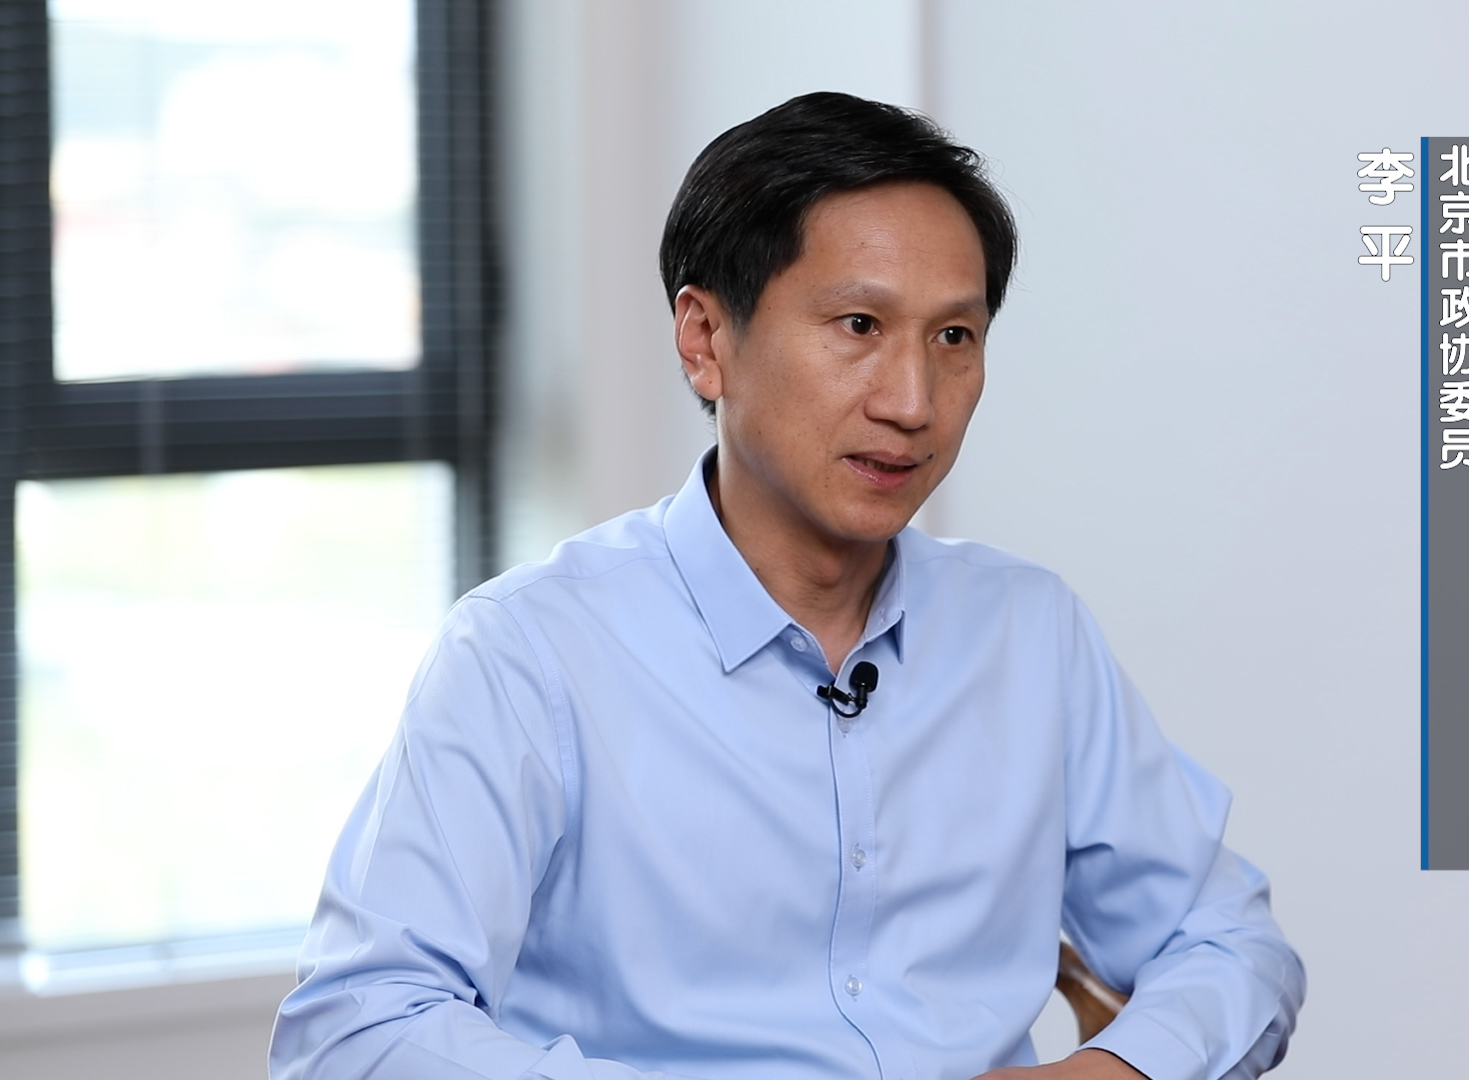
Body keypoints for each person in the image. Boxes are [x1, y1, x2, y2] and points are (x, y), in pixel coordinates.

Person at [269, 91, 1305, 1080]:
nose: (913, 402)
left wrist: (1110, 1070)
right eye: (858, 326)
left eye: (954, 337)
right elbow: (358, 1029)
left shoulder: (1028, 632)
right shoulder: (529, 651)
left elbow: (1232, 944)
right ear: (705, 340)